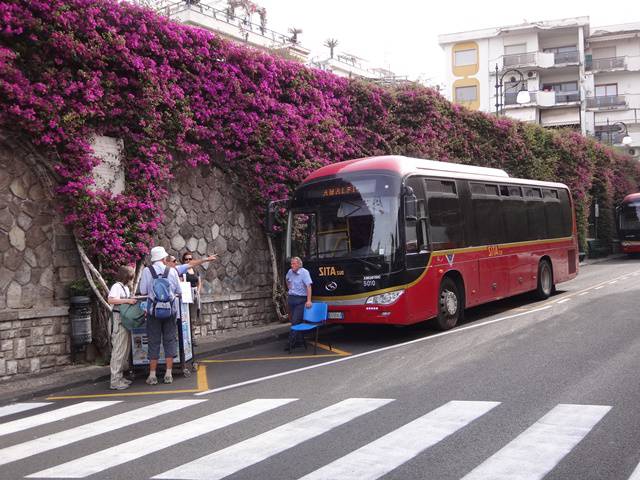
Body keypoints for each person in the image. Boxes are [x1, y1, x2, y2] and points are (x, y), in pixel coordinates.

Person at [139, 246, 181, 385]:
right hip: (170, 310)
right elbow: (178, 290)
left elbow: (143, 290)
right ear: (163, 258)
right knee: (169, 339)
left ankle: (152, 375)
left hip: (154, 311)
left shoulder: (147, 271)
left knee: (153, 341)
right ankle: (168, 374)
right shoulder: (172, 271)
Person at [107, 265, 137, 390]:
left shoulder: (124, 287)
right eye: (130, 277)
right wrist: (127, 301)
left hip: (123, 319)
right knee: (119, 350)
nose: (131, 279)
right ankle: (115, 380)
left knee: (124, 350)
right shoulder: (116, 286)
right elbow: (111, 300)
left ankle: (119, 377)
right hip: (118, 320)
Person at [285, 256, 313, 351]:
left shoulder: (304, 273)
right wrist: (290, 287)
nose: (291, 265)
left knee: (295, 321)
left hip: (301, 300)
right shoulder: (290, 272)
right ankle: (300, 342)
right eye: (291, 263)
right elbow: (287, 279)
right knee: (293, 320)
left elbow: (308, 287)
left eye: (293, 263)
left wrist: (308, 300)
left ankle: (290, 343)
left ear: (299, 264)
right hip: (291, 298)